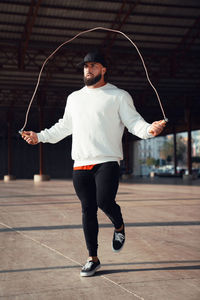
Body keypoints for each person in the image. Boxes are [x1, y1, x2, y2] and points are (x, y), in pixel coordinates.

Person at [22, 51, 165, 277]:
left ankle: (118, 226)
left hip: (107, 160)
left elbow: (134, 122)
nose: (88, 70)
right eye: (85, 66)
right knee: (87, 209)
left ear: (104, 69)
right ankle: (93, 258)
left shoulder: (118, 96)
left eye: (93, 65)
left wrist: (149, 129)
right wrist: (39, 136)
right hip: (80, 162)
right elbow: (63, 127)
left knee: (104, 201)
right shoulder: (74, 98)